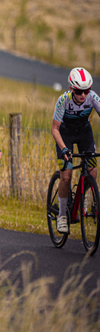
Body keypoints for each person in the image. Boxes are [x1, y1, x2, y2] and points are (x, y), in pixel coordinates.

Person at [51, 67, 100, 234]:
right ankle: (63, 215)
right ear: (72, 88)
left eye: (86, 91)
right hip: (65, 134)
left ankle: (83, 196)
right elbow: (55, 129)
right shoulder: (63, 99)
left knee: (92, 172)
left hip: (84, 132)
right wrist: (64, 148)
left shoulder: (93, 98)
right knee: (66, 176)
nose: (83, 95)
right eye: (80, 91)